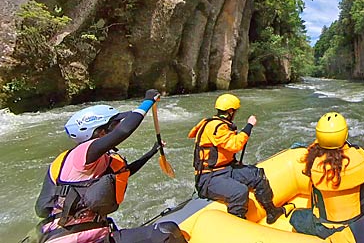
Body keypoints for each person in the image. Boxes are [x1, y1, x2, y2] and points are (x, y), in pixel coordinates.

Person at [34, 89, 187, 243]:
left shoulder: (98, 160)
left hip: (95, 236)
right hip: (73, 239)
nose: (118, 126)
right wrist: (148, 101)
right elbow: (125, 130)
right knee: (168, 231)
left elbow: (124, 172)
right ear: (100, 132)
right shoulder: (82, 153)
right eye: (114, 125)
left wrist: (151, 152)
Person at [290, 111, 364, 238]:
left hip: (326, 228)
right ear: (345, 134)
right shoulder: (361, 155)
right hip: (360, 224)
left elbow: (309, 154)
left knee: (295, 217)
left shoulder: (313, 160)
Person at [188, 93, 285, 223]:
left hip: (226, 168)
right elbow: (235, 144)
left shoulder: (220, 124)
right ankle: (238, 224)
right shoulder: (215, 127)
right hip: (209, 177)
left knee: (258, 175)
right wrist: (249, 125)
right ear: (230, 111)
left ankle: (271, 211)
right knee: (240, 192)